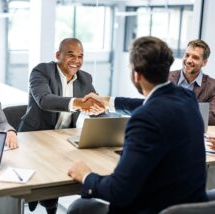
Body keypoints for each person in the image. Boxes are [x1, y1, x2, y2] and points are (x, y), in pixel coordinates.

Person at [67, 36, 207, 214]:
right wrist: (108, 101)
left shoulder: (145, 119)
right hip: (190, 207)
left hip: (152, 209)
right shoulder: (186, 98)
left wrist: (86, 176)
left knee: (79, 207)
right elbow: (148, 104)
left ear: (136, 75)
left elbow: (119, 192)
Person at [18, 38, 104, 214]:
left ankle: (49, 202)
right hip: (34, 137)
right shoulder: (42, 71)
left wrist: (99, 109)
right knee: (34, 184)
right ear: (58, 55)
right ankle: (39, 200)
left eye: (80, 56)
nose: (76, 60)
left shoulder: (85, 78)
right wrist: (78, 103)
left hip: (61, 139)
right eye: (71, 55)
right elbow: (44, 100)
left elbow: (95, 103)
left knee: (58, 174)